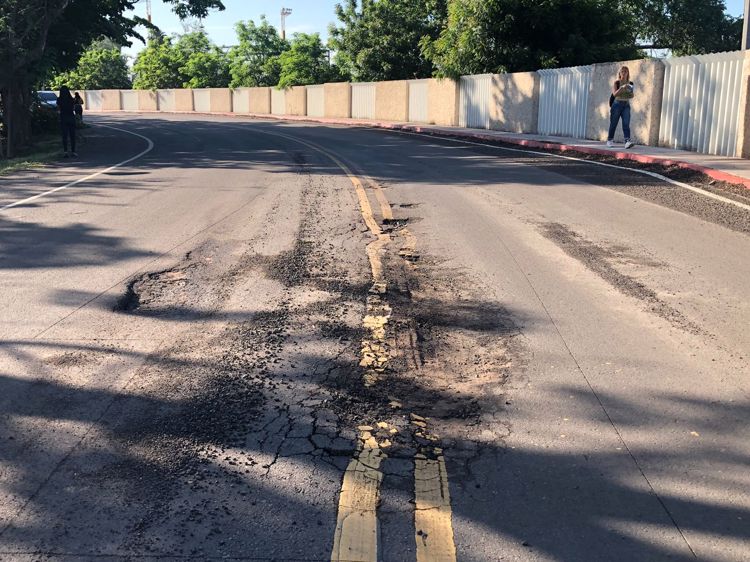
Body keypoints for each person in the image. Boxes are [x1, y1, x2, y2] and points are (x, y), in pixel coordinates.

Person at [607, 66, 635, 149]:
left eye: (626, 71)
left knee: (626, 124)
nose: (624, 72)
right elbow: (615, 94)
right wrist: (621, 88)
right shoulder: (617, 83)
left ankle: (627, 141)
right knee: (613, 123)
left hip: (626, 105)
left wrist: (630, 92)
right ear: (619, 73)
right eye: (622, 71)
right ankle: (610, 140)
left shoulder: (631, 83)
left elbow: (631, 95)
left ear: (628, 73)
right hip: (617, 105)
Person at [56, 86, 77, 157]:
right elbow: (73, 109)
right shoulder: (71, 99)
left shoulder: (59, 100)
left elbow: (58, 110)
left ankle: (65, 152)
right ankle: (73, 151)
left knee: (64, 136)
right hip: (71, 117)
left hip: (63, 118)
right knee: (72, 135)